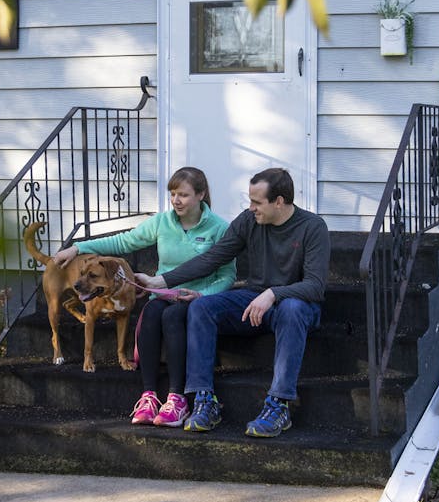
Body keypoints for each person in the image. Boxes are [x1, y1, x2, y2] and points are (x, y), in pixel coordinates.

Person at [133, 167, 330, 438]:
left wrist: (273, 293)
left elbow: (315, 286)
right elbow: (212, 258)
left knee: (292, 308)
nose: (251, 208)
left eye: (257, 202)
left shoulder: (312, 227)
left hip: (295, 306)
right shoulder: (249, 221)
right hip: (253, 300)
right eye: (249, 201)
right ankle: (204, 399)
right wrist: (162, 281)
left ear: (279, 202)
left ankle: (278, 404)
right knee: (202, 306)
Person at [53, 167, 235, 427]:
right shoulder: (162, 222)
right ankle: (148, 396)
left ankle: (177, 398)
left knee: (172, 317)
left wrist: (202, 294)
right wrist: (79, 247)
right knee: (150, 313)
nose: (176, 200)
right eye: (173, 194)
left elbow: (228, 276)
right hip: (162, 293)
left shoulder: (219, 228)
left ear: (201, 194)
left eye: (183, 194)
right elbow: (124, 242)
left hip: (195, 299)